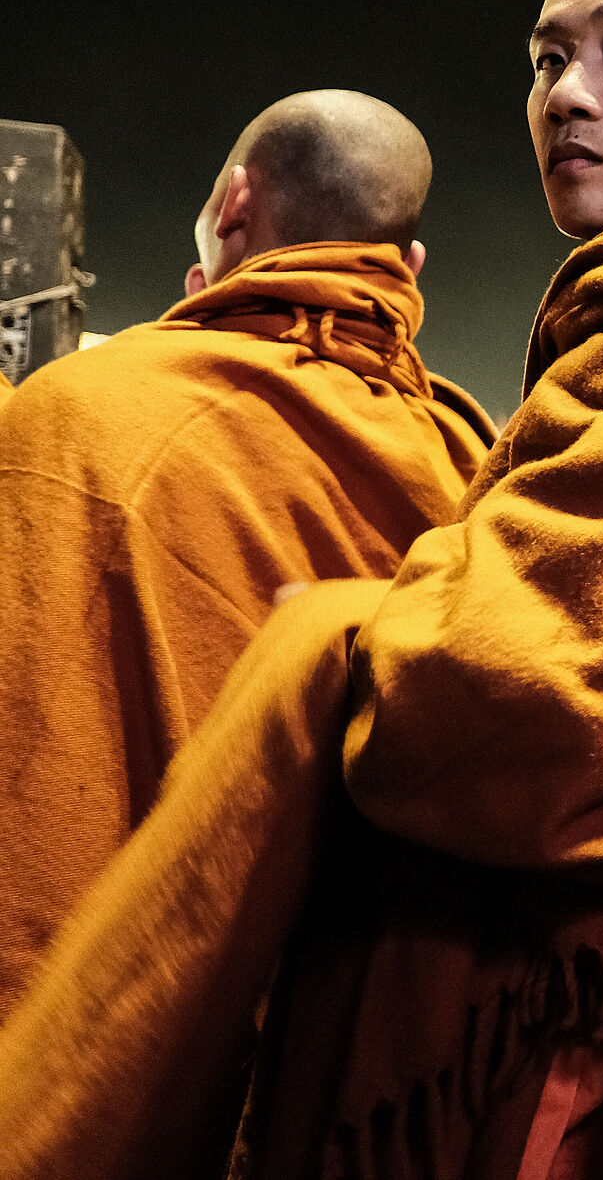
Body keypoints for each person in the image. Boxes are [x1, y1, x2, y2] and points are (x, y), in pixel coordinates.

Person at [0, 0, 603, 1180]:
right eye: (547, 60)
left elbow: (517, 705)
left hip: (565, 1029)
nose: (569, 94)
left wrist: (335, 636)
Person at [0, 90, 491, 1014]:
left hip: (94, 1007)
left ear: (232, 206)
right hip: (320, 1030)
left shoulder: (81, 412)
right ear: (408, 265)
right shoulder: (473, 463)